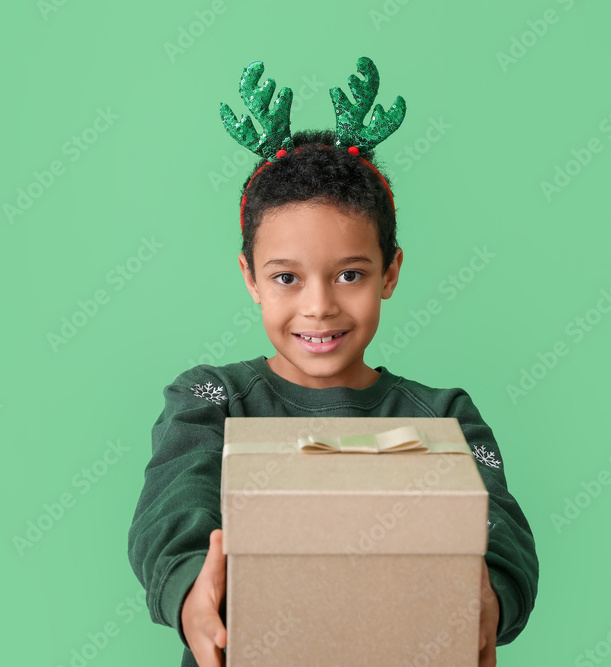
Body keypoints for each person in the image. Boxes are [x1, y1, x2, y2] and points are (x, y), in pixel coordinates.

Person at [127, 57, 539, 667]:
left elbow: (499, 526)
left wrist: (491, 600)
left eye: (350, 274)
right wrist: (191, 589)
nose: (319, 307)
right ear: (250, 278)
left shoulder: (444, 416)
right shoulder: (213, 399)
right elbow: (172, 504)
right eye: (287, 277)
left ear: (390, 272)